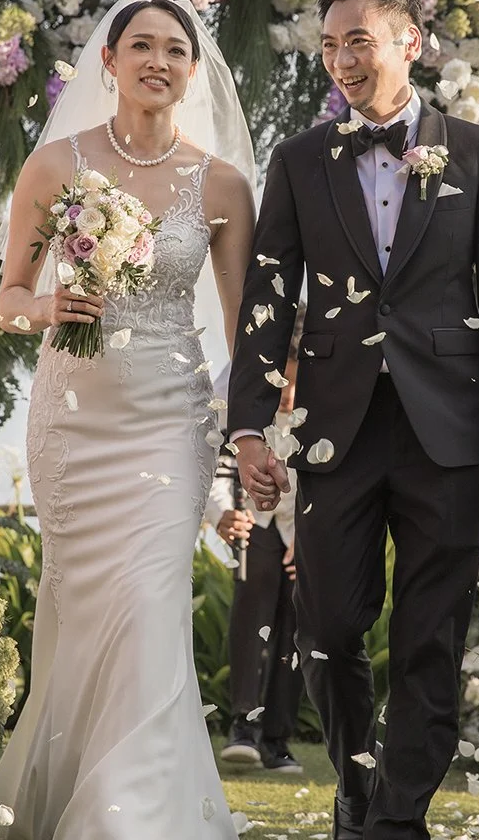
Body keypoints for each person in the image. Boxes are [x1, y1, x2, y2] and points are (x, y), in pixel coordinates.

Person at [230, 0, 479, 840]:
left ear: (412, 43)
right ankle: (360, 789)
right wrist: (251, 423)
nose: (341, 61)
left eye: (358, 42)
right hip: (334, 427)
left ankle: (395, 820)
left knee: (429, 634)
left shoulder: (478, 155)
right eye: (329, 47)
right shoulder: (298, 162)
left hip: (451, 427)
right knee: (327, 623)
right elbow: (266, 294)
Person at [0, 0, 258, 839]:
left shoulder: (223, 185)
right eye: (142, 45)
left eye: (176, 49)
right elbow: (8, 303)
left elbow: (243, 327)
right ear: (110, 60)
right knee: (86, 611)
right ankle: (66, 795)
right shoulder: (56, 166)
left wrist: (259, 430)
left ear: (193, 71)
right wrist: (49, 305)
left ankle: (130, 817)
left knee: (148, 604)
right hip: (73, 417)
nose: (158, 62)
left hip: (171, 421)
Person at [211, 313, 306, 776]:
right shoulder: (240, 379)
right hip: (253, 516)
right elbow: (214, 451)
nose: (287, 394)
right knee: (252, 600)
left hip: (303, 526)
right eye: (282, 382)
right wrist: (221, 514)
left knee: (297, 620)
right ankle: (243, 727)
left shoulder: (330, 383)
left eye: (295, 383)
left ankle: (278, 739)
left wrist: (309, 536)